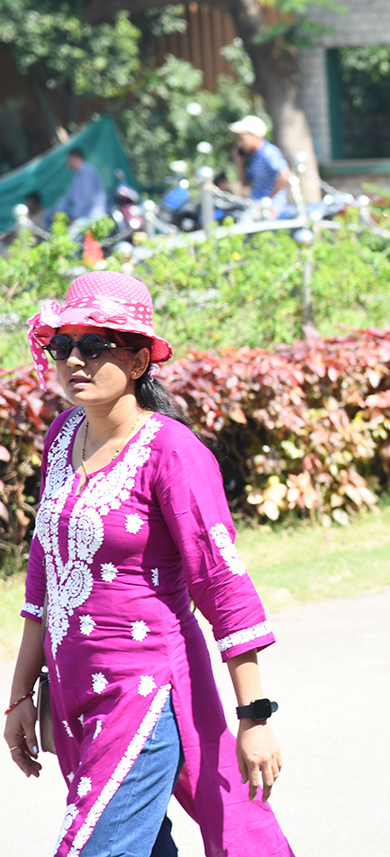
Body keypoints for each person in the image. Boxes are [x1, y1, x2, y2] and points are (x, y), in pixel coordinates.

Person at [4, 271, 293, 857]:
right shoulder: (62, 436)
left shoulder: (172, 451)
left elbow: (221, 583)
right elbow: (45, 576)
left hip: (143, 694)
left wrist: (255, 716)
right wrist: (20, 696)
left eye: (94, 346)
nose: (74, 360)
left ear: (138, 362)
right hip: (73, 693)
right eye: (63, 346)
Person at [229, 115, 290, 217]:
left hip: (270, 209)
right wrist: (239, 163)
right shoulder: (254, 156)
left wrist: (269, 201)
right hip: (256, 204)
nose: (239, 144)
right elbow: (245, 183)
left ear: (254, 136)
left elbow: (284, 174)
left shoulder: (268, 152)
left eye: (242, 139)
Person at [53, 148, 108, 238]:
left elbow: (86, 198)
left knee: (70, 238)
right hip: (82, 216)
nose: (67, 162)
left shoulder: (86, 172)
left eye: (68, 159)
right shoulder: (76, 175)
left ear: (74, 158)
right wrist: (58, 210)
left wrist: (74, 217)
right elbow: (68, 197)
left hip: (92, 216)